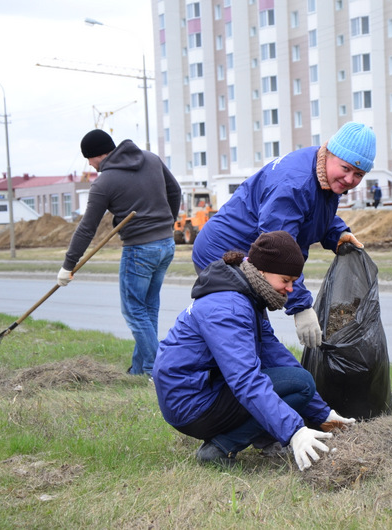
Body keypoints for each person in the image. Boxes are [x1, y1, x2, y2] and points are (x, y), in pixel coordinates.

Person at [153, 231, 355, 470]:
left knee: (299, 381)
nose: (290, 289)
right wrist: (295, 431)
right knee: (298, 385)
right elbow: (245, 379)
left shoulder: (247, 294)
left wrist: (323, 415)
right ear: (262, 271)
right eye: (286, 280)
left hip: (200, 389)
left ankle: (260, 434)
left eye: (294, 281)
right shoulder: (229, 307)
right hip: (190, 403)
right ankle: (220, 447)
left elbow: (275, 356)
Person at [191, 121, 374, 348]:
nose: (349, 180)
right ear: (329, 153)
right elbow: (279, 250)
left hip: (252, 251)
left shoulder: (323, 173)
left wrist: (337, 233)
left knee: (253, 329)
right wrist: (301, 307)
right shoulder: (294, 184)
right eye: (345, 169)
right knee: (239, 325)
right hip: (223, 251)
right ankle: (216, 375)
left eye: (358, 174)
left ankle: (253, 373)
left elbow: (312, 211)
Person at [57, 129, 181, 376]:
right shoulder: (151, 159)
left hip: (139, 250)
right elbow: (175, 191)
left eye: (89, 159)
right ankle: (140, 369)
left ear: (96, 155)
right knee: (147, 309)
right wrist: (166, 224)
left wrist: (68, 265)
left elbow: (87, 228)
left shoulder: (104, 182)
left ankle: (160, 372)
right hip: (166, 245)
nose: (90, 165)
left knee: (134, 311)